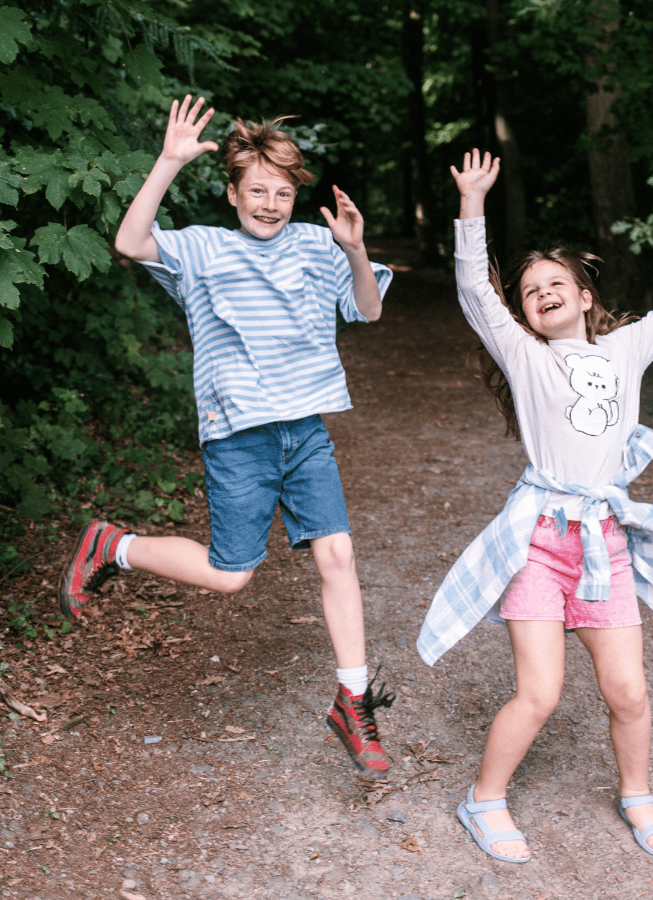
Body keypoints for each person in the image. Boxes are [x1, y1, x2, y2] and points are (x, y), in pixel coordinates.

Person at [418, 149, 653, 861]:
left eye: (557, 283)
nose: (543, 292)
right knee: (540, 693)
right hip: (540, 541)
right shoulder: (525, 356)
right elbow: (472, 291)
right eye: (530, 290)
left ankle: (637, 792)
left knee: (629, 691)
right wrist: (472, 206)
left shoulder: (626, 350)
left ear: (584, 297)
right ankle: (483, 800)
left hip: (603, 543)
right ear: (522, 312)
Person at [60, 95, 395, 778]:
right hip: (238, 434)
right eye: (258, 191)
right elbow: (129, 242)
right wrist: (167, 161)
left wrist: (356, 250)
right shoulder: (203, 249)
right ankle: (113, 546)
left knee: (338, 555)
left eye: (282, 192)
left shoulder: (314, 244)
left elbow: (368, 308)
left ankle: (353, 702)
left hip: (303, 431)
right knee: (231, 574)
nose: (271, 203)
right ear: (233, 194)